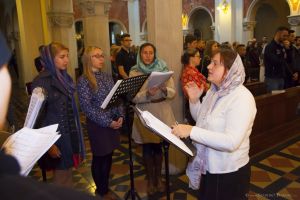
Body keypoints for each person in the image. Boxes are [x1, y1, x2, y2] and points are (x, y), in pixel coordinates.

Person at [172, 46, 257, 200]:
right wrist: (194, 101)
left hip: (228, 172)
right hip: (209, 166)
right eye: (210, 62)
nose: (209, 66)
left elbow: (231, 142)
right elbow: (203, 121)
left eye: (215, 63)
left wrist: (191, 131)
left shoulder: (242, 98)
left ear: (230, 70)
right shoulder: (214, 91)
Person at [31, 42, 85, 188]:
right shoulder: (41, 81)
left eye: (67, 56)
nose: (66, 60)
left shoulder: (64, 77)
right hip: (55, 137)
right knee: (60, 179)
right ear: (49, 58)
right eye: (62, 57)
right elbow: (36, 117)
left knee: (67, 173)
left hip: (68, 134)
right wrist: (49, 144)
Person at [129, 42, 176, 195]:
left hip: (163, 112)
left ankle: (159, 178)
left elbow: (173, 93)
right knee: (148, 148)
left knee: (159, 148)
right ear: (140, 54)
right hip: (145, 113)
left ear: (154, 54)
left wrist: (164, 89)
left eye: (151, 53)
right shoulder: (135, 72)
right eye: (144, 53)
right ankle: (150, 179)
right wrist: (147, 93)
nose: (148, 55)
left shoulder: (163, 69)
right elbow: (133, 97)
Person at [77, 46, 123, 199]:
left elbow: (116, 97)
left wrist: (120, 115)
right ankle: (101, 190)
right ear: (88, 59)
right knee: (99, 156)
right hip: (98, 125)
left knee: (109, 155)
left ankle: (105, 187)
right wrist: (107, 122)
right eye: (97, 56)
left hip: (112, 122)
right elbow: (87, 107)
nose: (101, 59)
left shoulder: (107, 76)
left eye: (102, 56)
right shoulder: (84, 80)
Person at [180, 48, 208, 125]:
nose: (200, 58)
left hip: (195, 102)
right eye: (198, 56)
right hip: (194, 103)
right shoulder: (190, 72)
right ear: (191, 58)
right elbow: (201, 89)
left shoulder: (193, 70)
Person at [264, 26, 289, 92]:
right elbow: (276, 61)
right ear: (278, 33)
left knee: (280, 99)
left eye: (287, 36)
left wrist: (287, 50)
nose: (286, 38)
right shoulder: (270, 47)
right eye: (284, 36)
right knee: (273, 100)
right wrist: (284, 52)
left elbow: (286, 61)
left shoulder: (281, 46)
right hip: (272, 78)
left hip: (281, 77)